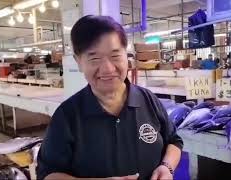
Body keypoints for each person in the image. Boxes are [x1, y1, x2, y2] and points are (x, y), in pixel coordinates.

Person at [36, 15, 183, 180]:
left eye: (115, 56)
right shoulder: (67, 116)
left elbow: (174, 141)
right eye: (94, 58)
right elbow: (47, 174)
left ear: (126, 55)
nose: (107, 69)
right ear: (78, 61)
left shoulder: (148, 99)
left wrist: (167, 167)